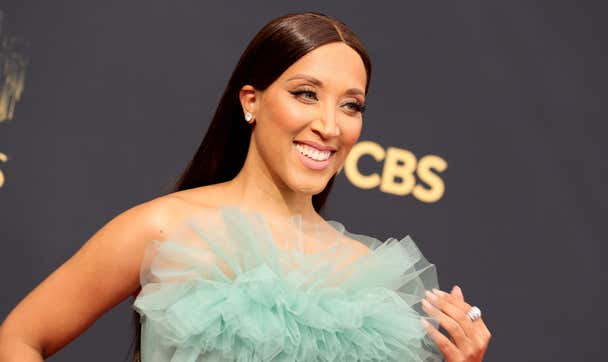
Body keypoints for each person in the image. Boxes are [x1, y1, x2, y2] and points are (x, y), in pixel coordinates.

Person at [0, 11, 491, 362]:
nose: (330, 125)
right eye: (306, 95)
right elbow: (19, 339)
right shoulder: (167, 227)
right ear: (251, 101)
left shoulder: (371, 277)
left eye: (351, 105)